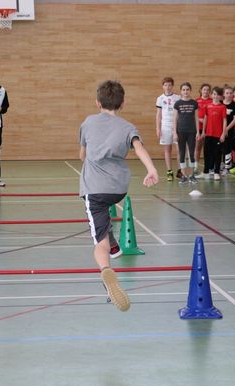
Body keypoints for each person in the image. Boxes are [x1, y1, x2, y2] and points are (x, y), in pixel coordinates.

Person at [79, 80, 159, 312]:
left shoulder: (88, 122)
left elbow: (82, 155)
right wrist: (151, 170)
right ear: (122, 103)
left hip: (94, 189)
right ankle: (114, 245)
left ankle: (106, 272)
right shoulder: (127, 127)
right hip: (118, 189)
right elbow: (140, 149)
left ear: (97, 102)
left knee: (99, 242)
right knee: (105, 220)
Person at [197, 86, 227, 180]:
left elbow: (225, 121)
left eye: (218, 95)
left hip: (218, 135)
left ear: (221, 96)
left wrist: (223, 133)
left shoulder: (223, 107)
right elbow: (205, 118)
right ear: (212, 95)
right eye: (214, 94)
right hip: (208, 134)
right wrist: (204, 132)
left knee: (217, 153)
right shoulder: (208, 106)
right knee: (207, 153)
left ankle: (216, 172)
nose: (215, 96)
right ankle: (206, 172)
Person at [172, 82, 200, 184]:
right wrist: (174, 132)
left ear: (190, 90)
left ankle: (192, 175)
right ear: (181, 91)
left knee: (192, 154)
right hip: (180, 131)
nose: (185, 91)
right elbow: (174, 119)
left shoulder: (194, 103)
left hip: (192, 131)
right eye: (183, 90)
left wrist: (198, 132)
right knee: (182, 153)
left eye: (187, 89)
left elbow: (196, 118)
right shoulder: (177, 104)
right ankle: (184, 176)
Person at [156, 77, 180, 181]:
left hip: (177, 126)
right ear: (163, 86)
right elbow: (158, 115)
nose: (168, 87)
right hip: (165, 126)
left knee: (180, 149)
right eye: (166, 85)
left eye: (170, 85)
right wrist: (158, 128)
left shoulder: (177, 98)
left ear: (172, 86)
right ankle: (169, 171)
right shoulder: (160, 98)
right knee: (167, 149)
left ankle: (180, 170)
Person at [195, 83, 213, 174]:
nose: (206, 91)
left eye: (207, 90)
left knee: (208, 149)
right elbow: (194, 115)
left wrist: (206, 122)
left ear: (210, 91)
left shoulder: (212, 101)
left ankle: (209, 168)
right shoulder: (196, 101)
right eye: (204, 89)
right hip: (199, 128)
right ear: (201, 90)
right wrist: (200, 120)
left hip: (209, 129)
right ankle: (195, 167)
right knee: (198, 147)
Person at [222, 86, 235, 173]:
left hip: (229, 131)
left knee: (227, 148)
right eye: (227, 93)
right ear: (223, 94)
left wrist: (226, 129)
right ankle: (220, 165)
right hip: (219, 130)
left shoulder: (234, 105)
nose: (229, 95)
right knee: (219, 148)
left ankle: (227, 167)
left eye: (230, 93)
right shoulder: (220, 104)